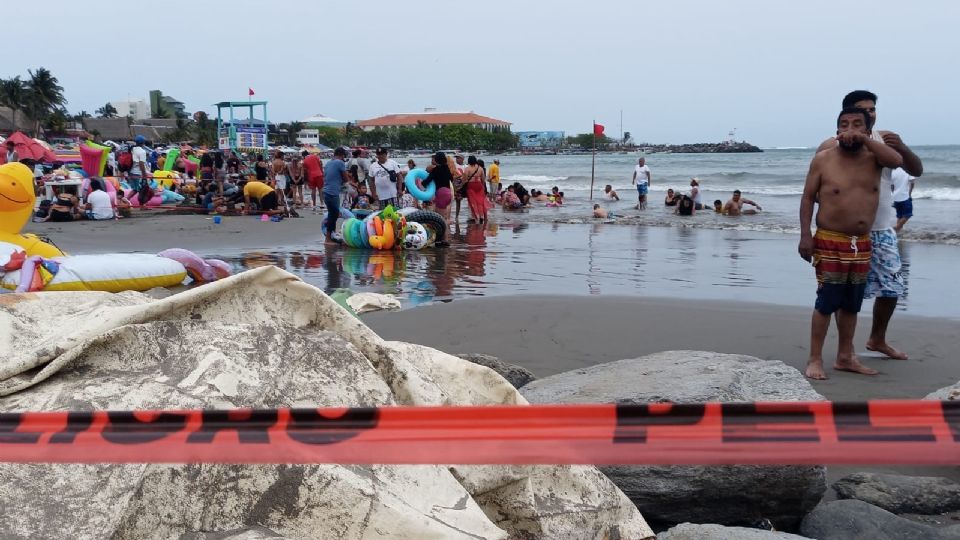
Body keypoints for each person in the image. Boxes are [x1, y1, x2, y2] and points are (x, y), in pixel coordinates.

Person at [818, 90, 924, 362]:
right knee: (845, 293)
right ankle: (846, 349)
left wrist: (902, 146)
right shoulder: (831, 144)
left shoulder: (886, 139)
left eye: (873, 108)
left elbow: (916, 170)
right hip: (847, 233)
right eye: (864, 108)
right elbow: (819, 188)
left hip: (882, 228)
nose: (871, 113)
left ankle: (878, 338)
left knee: (892, 288)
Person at [798, 107, 904, 380]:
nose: (850, 129)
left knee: (852, 304)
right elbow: (808, 197)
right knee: (827, 301)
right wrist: (805, 235)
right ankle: (815, 358)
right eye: (844, 124)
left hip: (862, 243)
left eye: (857, 125)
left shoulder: (874, 158)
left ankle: (846, 356)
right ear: (836, 131)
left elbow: (897, 159)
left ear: (869, 131)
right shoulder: (823, 159)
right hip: (830, 240)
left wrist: (866, 139)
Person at [322, 146, 349, 244]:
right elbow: (345, 178)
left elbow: (327, 177)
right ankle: (328, 239)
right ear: (342, 155)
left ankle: (331, 236)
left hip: (325, 191)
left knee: (332, 214)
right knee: (333, 215)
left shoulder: (329, 163)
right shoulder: (340, 163)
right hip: (333, 193)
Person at [423, 151, 454, 222]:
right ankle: (447, 231)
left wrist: (421, 184)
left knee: (440, 218)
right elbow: (451, 179)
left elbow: (427, 181)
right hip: (449, 193)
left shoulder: (436, 169)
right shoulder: (447, 168)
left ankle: (444, 232)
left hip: (441, 193)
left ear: (437, 159)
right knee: (444, 216)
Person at [462, 155, 488, 224]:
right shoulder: (480, 168)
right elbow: (483, 179)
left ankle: (476, 217)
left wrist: (461, 186)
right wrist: (482, 187)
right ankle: (482, 216)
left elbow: (464, 179)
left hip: (471, 186)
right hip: (479, 186)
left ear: (469, 161)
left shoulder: (467, 168)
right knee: (480, 202)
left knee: (473, 202)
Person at [891, 168, 915, 232]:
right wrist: (909, 193)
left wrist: (893, 194)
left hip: (896, 197)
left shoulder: (893, 171)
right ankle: (896, 228)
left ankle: (897, 232)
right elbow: (912, 183)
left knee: (899, 215)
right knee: (908, 215)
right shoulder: (908, 170)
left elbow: (892, 186)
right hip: (905, 196)